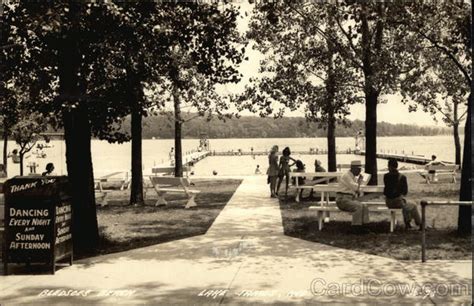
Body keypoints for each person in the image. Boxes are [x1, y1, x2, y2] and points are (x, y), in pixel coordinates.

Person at [384, 159, 421, 230]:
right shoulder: (402, 177)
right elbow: (405, 192)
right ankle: (419, 223)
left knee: (405, 205)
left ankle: (408, 224)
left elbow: (386, 191)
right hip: (397, 202)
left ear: (389, 166)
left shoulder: (386, 176)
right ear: (396, 166)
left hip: (388, 202)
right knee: (412, 205)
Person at [336, 160, 369, 226]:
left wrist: (359, 184)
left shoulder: (352, 177)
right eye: (359, 169)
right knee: (358, 206)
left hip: (348, 199)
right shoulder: (346, 176)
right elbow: (356, 188)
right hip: (342, 200)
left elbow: (357, 190)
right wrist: (360, 182)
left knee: (365, 206)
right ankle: (356, 226)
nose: (360, 171)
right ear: (353, 168)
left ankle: (365, 225)